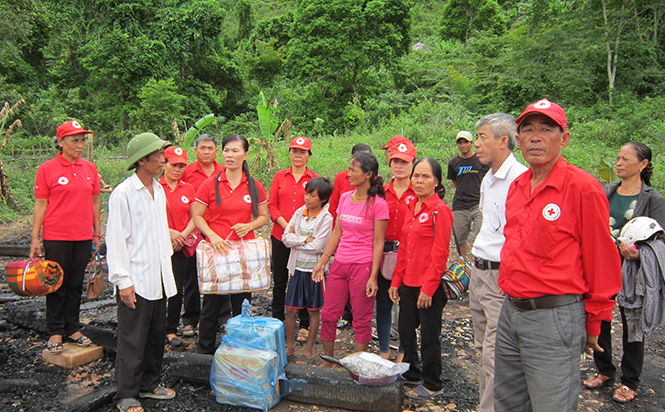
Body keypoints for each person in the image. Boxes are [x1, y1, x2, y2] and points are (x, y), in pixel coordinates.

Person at [494, 99, 622, 412]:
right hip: (511, 312)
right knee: (508, 404)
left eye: (546, 129)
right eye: (528, 130)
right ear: (518, 140)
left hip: (553, 317)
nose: (536, 137)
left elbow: (601, 260)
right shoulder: (518, 186)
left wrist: (595, 321)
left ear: (564, 138)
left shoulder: (582, 188)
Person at [582, 141, 665, 403]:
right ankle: (604, 369)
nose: (619, 163)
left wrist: (642, 254)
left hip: (632, 270)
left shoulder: (653, 198)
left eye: (625, 159)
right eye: (617, 158)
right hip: (604, 265)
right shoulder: (606, 191)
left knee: (633, 324)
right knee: (600, 317)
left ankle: (630, 380)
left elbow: (660, 237)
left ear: (643, 165)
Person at [106, 132, 177, 412]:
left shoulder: (157, 190)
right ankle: (126, 394)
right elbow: (116, 241)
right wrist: (123, 281)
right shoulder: (123, 194)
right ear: (142, 160)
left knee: (155, 335)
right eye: (157, 155)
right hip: (135, 278)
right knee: (132, 338)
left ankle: (149, 384)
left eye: (162, 154)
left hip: (158, 277)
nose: (163, 159)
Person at [469, 113, 527, 412]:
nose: (476, 144)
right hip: (480, 273)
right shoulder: (489, 178)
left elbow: (522, 237)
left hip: (500, 276)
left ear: (503, 141)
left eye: (482, 138)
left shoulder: (520, 179)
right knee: (482, 348)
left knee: (495, 353)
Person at [192, 134, 268, 355]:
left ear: (245, 155)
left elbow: (263, 216)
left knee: (242, 302)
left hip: (243, 253)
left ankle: (240, 348)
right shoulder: (210, 184)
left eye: (235, 151)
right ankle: (204, 350)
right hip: (216, 251)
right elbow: (197, 216)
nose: (229, 155)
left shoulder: (254, 186)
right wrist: (212, 236)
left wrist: (249, 226)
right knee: (211, 302)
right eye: (226, 150)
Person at [30, 120, 101, 354]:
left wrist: (96, 232)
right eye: (74, 141)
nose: (80, 145)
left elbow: (95, 201)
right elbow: (41, 204)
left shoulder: (89, 168)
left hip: (82, 236)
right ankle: (54, 331)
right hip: (56, 236)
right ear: (61, 142)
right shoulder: (47, 169)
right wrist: (35, 239)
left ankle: (72, 327)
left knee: (74, 283)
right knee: (55, 283)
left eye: (82, 140)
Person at [313, 151, 388, 366]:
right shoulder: (345, 197)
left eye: (353, 170)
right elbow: (337, 232)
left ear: (368, 174)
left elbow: (378, 243)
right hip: (340, 264)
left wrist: (373, 276)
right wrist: (324, 260)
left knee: (361, 319)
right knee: (328, 314)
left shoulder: (378, 204)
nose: (349, 174)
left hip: (363, 267)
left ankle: (357, 365)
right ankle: (328, 360)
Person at [388, 157, 453, 400]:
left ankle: (433, 382)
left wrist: (429, 287)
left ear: (437, 182)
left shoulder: (440, 211)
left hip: (429, 286)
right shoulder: (411, 205)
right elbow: (404, 247)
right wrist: (396, 281)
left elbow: (441, 253)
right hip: (408, 283)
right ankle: (412, 372)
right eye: (416, 175)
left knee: (429, 335)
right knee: (405, 330)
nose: (419, 180)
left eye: (426, 176)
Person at [268, 136, 319, 339]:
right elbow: (272, 205)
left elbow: (318, 207)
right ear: (289, 153)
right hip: (281, 236)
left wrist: (300, 232)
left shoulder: (314, 179)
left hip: (304, 239)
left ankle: (304, 324)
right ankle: (276, 320)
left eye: (303, 152)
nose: (298, 155)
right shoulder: (280, 176)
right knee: (280, 280)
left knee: (303, 279)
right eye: (294, 151)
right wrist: (287, 227)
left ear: (308, 155)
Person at [282, 177, 334, 361]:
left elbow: (319, 247)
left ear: (323, 199)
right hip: (296, 269)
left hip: (314, 272)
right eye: (307, 193)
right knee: (290, 310)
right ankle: (289, 347)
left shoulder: (326, 218)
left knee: (313, 311)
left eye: (312, 195)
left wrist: (296, 241)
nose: (307, 198)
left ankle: (309, 348)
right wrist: (304, 239)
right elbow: (285, 237)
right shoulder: (299, 213)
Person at [180, 133, 224, 336]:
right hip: (193, 231)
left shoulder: (225, 172)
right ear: (195, 150)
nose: (206, 152)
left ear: (217, 151)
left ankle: (222, 317)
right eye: (202, 148)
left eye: (210, 148)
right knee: (192, 275)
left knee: (220, 273)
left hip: (218, 230)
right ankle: (190, 317)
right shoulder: (186, 172)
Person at [377, 135, 417, 361]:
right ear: (389, 163)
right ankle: (383, 351)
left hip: (409, 255)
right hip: (385, 252)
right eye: (396, 161)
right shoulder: (382, 192)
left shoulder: (419, 192)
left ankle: (403, 352)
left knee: (406, 306)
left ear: (413, 163)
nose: (399, 166)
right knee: (383, 304)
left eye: (404, 161)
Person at [329, 143, 372, 329]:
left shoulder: (373, 183)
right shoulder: (342, 178)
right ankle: (346, 314)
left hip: (363, 242)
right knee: (342, 276)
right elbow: (334, 206)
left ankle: (359, 318)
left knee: (360, 283)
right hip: (344, 234)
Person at [158, 146, 198, 347]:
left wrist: (181, 235)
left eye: (182, 166)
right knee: (157, 287)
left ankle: (171, 329)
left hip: (180, 245)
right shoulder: (155, 187)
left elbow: (194, 217)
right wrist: (168, 232)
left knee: (176, 288)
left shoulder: (188, 188)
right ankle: (155, 326)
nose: (177, 169)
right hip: (159, 244)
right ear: (163, 163)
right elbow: (150, 218)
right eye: (174, 165)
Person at [447, 130, 488, 258]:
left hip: (478, 204)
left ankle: (479, 262)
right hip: (460, 205)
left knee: (482, 235)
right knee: (460, 239)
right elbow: (455, 182)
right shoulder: (454, 163)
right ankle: (463, 264)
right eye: (460, 142)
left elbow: (487, 179)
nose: (463, 145)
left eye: (466, 142)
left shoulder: (481, 159)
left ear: (471, 143)